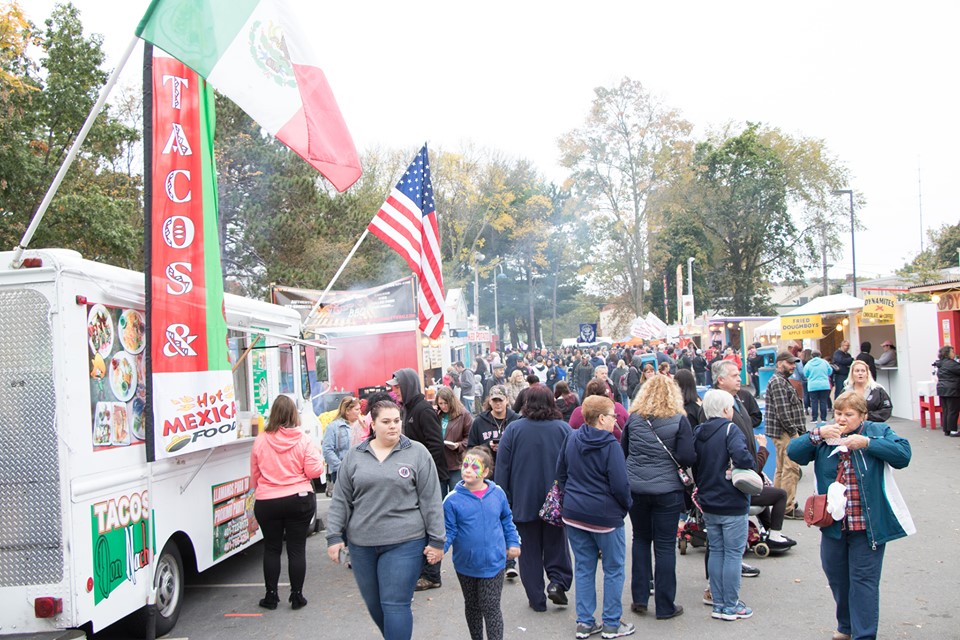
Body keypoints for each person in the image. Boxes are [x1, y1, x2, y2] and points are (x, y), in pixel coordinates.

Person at [787, 391, 914, 640]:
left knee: (863, 581)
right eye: (838, 413)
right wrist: (817, 434)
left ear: (862, 416)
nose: (842, 419)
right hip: (833, 524)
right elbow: (794, 453)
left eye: (849, 414)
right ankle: (846, 626)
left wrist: (867, 443)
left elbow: (903, 455)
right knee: (837, 578)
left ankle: (863, 635)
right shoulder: (826, 434)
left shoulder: (876, 431)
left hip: (868, 527)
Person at [326, 400, 445, 640]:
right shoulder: (355, 456)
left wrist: (437, 541)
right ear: (373, 424)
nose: (393, 426)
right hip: (362, 545)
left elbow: (431, 499)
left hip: (406, 542)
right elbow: (341, 499)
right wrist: (334, 536)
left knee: (395, 604)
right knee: (376, 606)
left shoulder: (417, 453)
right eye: (386, 422)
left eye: (397, 421)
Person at [557, 395, 635, 639]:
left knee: (583, 567)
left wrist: (570, 498)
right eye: (613, 415)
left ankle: (585, 622)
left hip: (574, 513)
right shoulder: (611, 445)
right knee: (613, 568)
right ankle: (611, 623)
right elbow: (621, 485)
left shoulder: (571, 438)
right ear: (601, 418)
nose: (616, 419)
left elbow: (561, 474)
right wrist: (624, 507)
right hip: (605, 517)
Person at [494, 385, 574, 612]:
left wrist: (503, 499)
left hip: (523, 498)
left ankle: (536, 598)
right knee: (557, 544)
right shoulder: (563, 429)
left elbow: (503, 468)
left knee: (528, 551)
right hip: (556, 500)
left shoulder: (513, 429)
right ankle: (557, 582)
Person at [623, 375, 694, 620]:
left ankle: (640, 598)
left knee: (641, 540)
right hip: (667, 490)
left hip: (637, 488)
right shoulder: (679, 420)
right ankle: (665, 605)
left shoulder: (634, 419)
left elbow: (624, 451)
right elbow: (686, 457)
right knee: (664, 546)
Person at [250, 395, 325, 610]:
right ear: (294, 414)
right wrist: (319, 459)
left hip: (268, 501)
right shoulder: (302, 439)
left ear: (273, 414)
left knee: (272, 548)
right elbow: (313, 470)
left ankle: (271, 596)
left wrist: (262, 492)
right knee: (296, 549)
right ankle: (296, 596)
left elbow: (255, 474)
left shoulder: (261, 440)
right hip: (298, 500)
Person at [443, 447, 521, 640]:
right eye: (465, 465)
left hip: (494, 562)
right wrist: (438, 550)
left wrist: (513, 542)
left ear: (485, 472)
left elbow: (506, 520)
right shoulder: (452, 500)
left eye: (474, 466)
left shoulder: (498, 494)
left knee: (491, 606)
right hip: (466, 564)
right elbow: (449, 531)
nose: (467, 470)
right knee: (472, 606)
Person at [693, 389, 756, 622]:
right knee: (733, 554)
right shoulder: (731, 430)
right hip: (731, 499)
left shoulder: (699, 432)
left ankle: (718, 602)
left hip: (708, 500)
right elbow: (744, 458)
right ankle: (731, 604)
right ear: (726, 409)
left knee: (717, 550)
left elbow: (695, 465)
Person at [387, 369, 448, 591]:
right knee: (417, 526)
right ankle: (422, 571)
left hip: (428, 480)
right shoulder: (406, 409)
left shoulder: (422, 410)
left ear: (408, 385)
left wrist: (421, 474)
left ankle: (432, 575)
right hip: (412, 480)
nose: (394, 391)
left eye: (397, 387)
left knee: (431, 525)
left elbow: (435, 446)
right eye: (393, 387)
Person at [764, 352, 805, 518]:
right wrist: (794, 432)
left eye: (794, 363)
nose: (793, 366)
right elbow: (783, 412)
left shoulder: (780, 381)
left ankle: (780, 504)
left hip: (781, 432)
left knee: (782, 469)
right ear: (780, 363)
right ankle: (787, 507)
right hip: (785, 432)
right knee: (791, 468)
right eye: (790, 363)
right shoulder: (779, 382)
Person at [436, 386, 473, 494]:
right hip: (440, 461)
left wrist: (459, 445)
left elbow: (470, 436)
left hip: (456, 462)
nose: (443, 406)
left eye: (445, 403)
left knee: (456, 495)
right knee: (440, 497)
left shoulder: (463, 414)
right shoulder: (437, 414)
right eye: (440, 403)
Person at [322, 395, 362, 490]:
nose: (359, 412)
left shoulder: (361, 425)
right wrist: (340, 467)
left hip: (359, 470)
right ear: (347, 411)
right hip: (341, 472)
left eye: (359, 409)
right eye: (356, 409)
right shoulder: (334, 427)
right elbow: (327, 450)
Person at [934, 345, 960, 437]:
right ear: (947, 354)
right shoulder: (951, 363)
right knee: (953, 410)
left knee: (946, 410)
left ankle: (947, 430)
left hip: (942, 389)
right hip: (952, 389)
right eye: (952, 352)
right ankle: (953, 430)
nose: (954, 353)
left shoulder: (940, 363)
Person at [805, 351, 834, 425]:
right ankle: (823, 418)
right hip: (824, 385)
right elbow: (830, 371)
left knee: (814, 402)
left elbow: (805, 373)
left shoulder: (809, 364)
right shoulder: (825, 362)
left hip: (812, 385)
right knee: (823, 401)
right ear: (820, 355)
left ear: (811, 356)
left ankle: (814, 418)